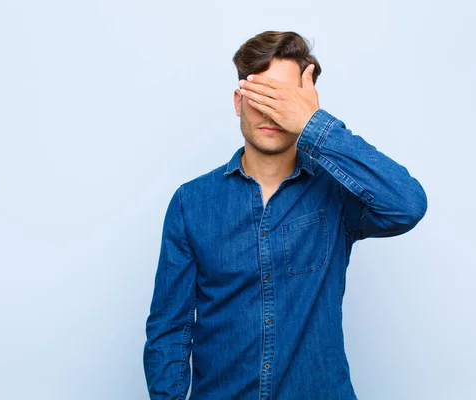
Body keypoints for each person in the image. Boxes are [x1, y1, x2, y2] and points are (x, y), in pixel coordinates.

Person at [143, 30, 427, 400]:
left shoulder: (337, 194)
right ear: (238, 100)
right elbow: (169, 329)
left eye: (285, 99)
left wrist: (316, 126)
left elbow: (407, 206)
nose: (272, 112)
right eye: (262, 96)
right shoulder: (191, 202)